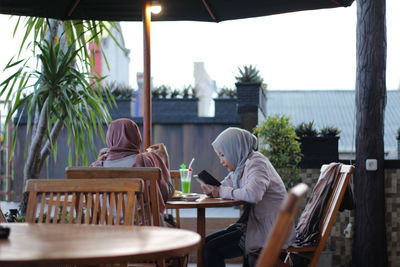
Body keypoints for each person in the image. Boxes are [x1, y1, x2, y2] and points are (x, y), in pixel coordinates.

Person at [201, 127, 293, 267]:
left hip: (271, 230)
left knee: (210, 248)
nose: (221, 161)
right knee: (206, 244)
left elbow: (253, 194)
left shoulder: (257, 163)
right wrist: (212, 190)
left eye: (222, 155)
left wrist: (220, 191)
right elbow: (225, 185)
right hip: (256, 226)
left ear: (235, 149)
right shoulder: (241, 166)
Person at [91, 118, 174, 212]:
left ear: (110, 138)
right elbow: (165, 196)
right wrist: (164, 159)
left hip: (108, 225)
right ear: (137, 137)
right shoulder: (144, 161)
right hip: (142, 225)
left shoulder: (98, 166)